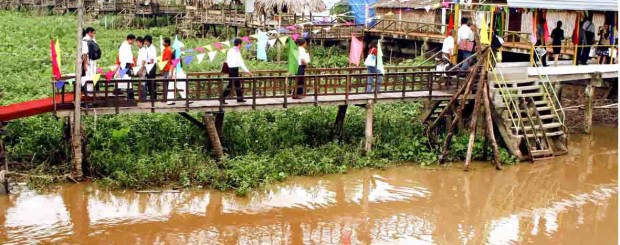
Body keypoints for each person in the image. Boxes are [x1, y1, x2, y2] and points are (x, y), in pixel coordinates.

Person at [222, 38, 252, 104]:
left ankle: (239, 98)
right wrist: (247, 71)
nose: (241, 46)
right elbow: (240, 62)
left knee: (237, 84)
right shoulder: (236, 51)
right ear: (239, 44)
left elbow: (228, 60)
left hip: (231, 69)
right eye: (241, 44)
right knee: (230, 84)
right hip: (234, 69)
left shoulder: (230, 50)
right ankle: (222, 98)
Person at [117, 34, 136, 98]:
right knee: (126, 80)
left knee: (125, 80)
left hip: (126, 65)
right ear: (129, 39)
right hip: (125, 65)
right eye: (133, 40)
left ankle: (129, 96)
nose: (133, 42)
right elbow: (123, 57)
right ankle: (130, 97)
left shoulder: (127, 45)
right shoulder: (124, 46)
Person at [81, 27, 99, 93]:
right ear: (89, 32)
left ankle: (89, 93)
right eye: (93, 33)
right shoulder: (91, 40)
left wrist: (85, 63)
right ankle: (89, 93)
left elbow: (85, 53)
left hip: (90, 61)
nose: (94, 34)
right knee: (90, 77)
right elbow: (85, 53)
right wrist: (85, 63)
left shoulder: (85, 40)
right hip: (91, 61)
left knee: (89, 77)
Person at [143, 35, 158, 100]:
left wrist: (149, 66)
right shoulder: (146, 47)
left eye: (146, 41)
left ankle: (153, 96)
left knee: (152, 81)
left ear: (149, 41)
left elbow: (152, 59)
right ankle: (150, 95)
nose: (145, 42)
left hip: (151, 66)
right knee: (148, 81)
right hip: (147, 65)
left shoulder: (152, 48)